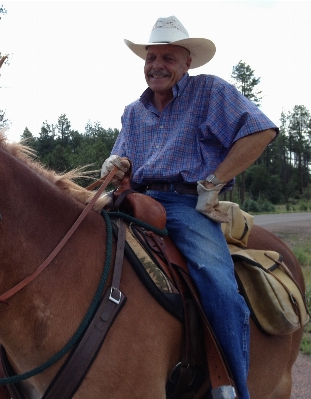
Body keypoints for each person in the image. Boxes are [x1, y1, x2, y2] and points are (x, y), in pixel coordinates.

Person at [101, 16, 278, 399]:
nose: (157, 65)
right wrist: (115, 163)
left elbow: (261, 130)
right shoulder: (134, 111)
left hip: (183, 204)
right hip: (135, 199)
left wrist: (214, 182)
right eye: (151, 57)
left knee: (218, 285)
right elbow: (123, 153)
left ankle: (235, 388)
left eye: (168, 57)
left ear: (187, 63)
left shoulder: (210, 92)